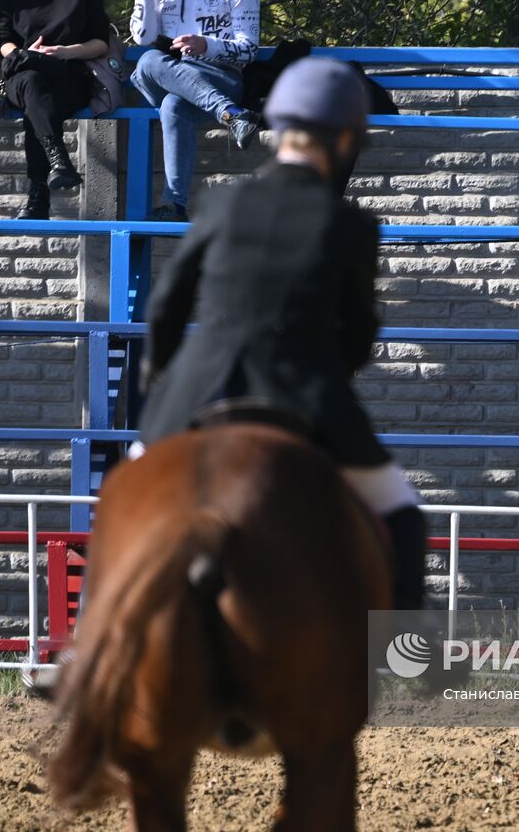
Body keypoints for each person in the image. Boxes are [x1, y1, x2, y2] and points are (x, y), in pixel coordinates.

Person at [135, 57, 425, 610]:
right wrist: (330, 376)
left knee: (125, 497)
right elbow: (361, 329)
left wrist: (163, 378)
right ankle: (404, 650)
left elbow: (168, 305)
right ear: (344, 137)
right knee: (401, 514)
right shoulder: (349, 224)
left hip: (196, 389)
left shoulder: (222, 202)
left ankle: (92, 640)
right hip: (302, 390)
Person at [129, 0, 261, 221]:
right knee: (147, 62)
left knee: (174, 104)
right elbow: (142, 36)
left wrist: (207, 45)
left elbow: (248, 49)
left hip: (219, 77)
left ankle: (174, 204)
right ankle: (231, 114)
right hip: (172, 73)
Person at [0, 0, 110, 220]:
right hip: (23, 73)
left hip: (68, 75)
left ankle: (38, 195)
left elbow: (100, 41)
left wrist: (66, 52)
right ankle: (58, 161)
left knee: (39, 100)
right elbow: (3, 40)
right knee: (32, 84)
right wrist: (21, 54)